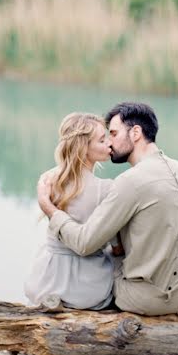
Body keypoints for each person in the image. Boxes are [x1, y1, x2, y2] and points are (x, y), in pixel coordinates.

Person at [38, 102, 178, 317]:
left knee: (95, 259)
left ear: (135, 133)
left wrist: (49, 208)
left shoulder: (130, 182)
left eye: (113, 134)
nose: (110, 143)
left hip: (145, 300)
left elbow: (84, 243)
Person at [24, 112, 120, 310]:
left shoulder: (48, 179)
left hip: (46, 282)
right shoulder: (107, 189)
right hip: (88, 288)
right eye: (102, 140)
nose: (110, 144)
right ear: (84, 148)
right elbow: (117, 245)